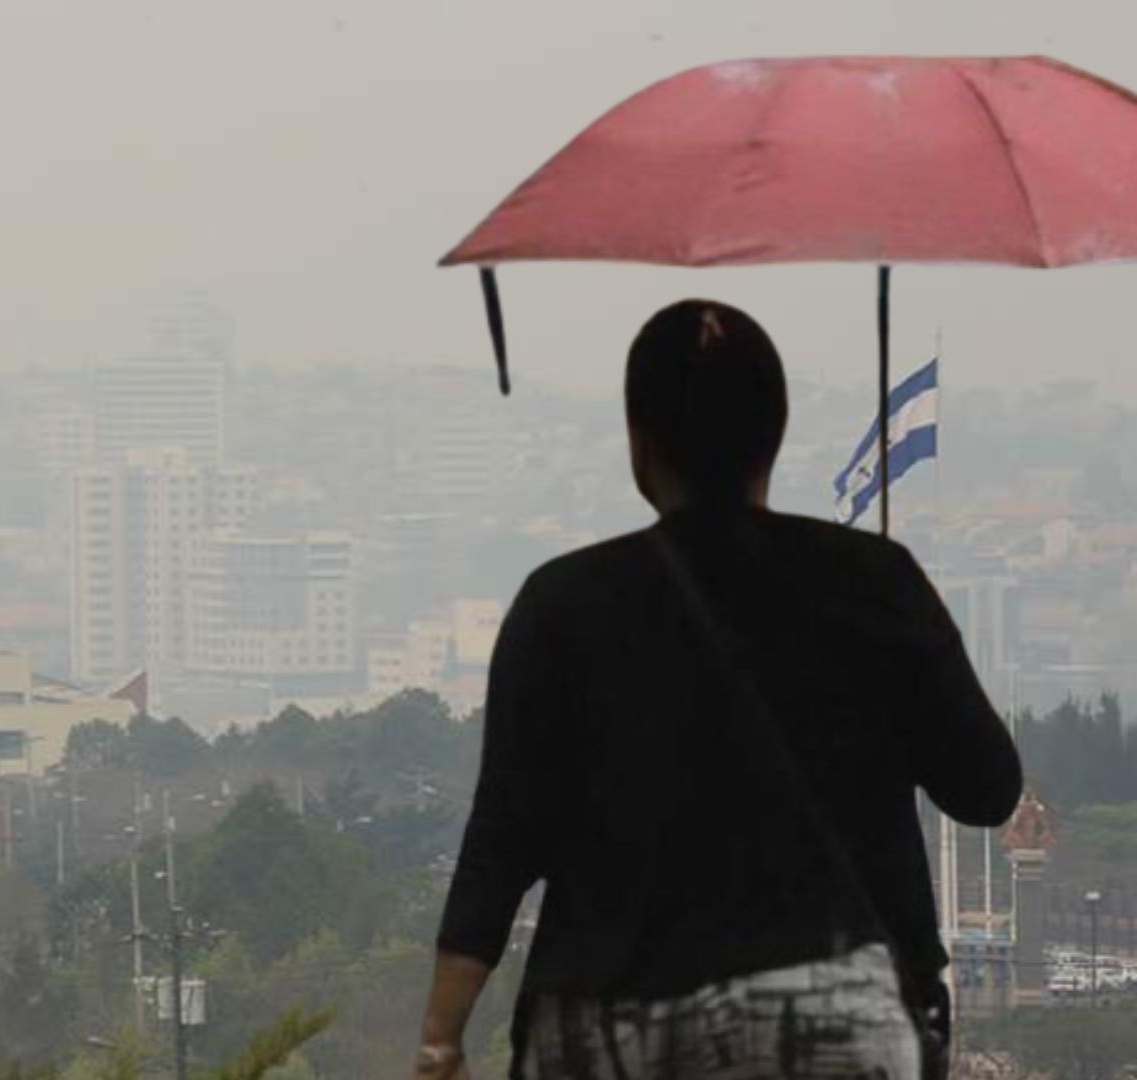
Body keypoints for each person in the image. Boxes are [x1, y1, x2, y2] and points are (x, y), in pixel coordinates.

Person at [412, 300, 1022, 1080]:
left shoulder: (562, 605)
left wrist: (442, 1038)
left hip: (610, 1026)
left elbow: (501, 841)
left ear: (639, 443)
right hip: (841, 1027)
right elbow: (988, 790)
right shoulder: (875, 583)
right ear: (775, 431)